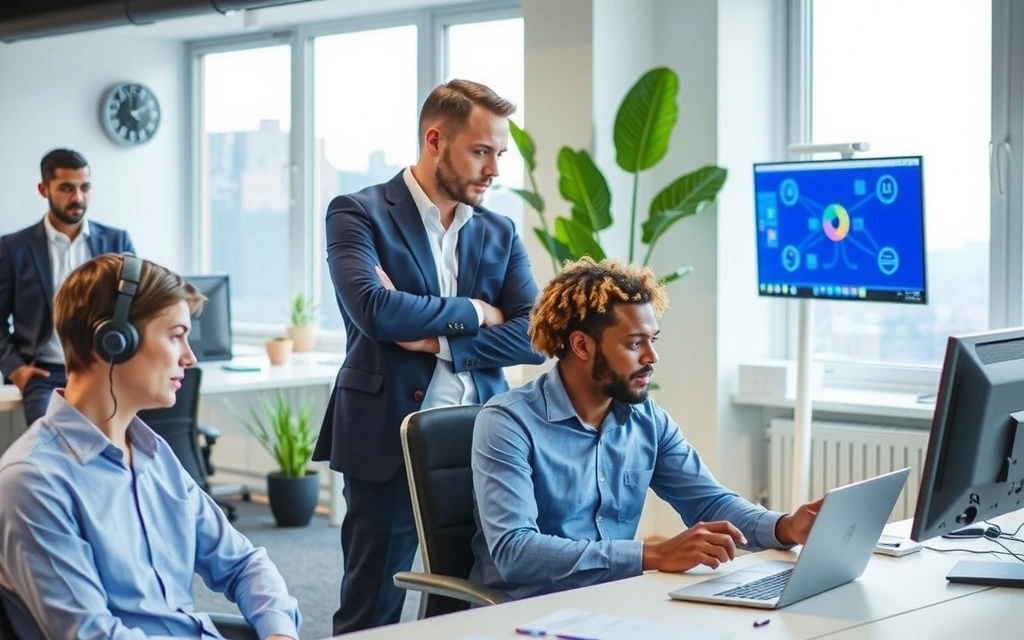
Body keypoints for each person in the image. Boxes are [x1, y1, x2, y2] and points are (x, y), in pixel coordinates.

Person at [312, 78, 545, 633]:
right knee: (371, 606)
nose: (494, 170)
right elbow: (375, 311)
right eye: (482, 151)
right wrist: (475, 309)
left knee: (473, 597)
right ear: (435, 139)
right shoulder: (357, 212)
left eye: (500, 154)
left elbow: (536, 334)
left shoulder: (498, 230)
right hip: (388, 431)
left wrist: (435, 336)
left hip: (483, 436)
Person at [469, 258, 824, 599]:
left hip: (614, 603)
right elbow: (516, 550)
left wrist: (785, 527)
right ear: (581, 345)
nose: (652, 357)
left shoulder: (646, 419)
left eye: (653, 340)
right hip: (523, 614)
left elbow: (708, 501)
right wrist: (651, 555)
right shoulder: (507, 421)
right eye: (635, 343)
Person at [0, 254, 301, 639]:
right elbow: (94, 635)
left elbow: (243, 563)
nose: (189, 357)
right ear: (112, 342)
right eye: (175, 336)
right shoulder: (33, 481)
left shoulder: (152, 453)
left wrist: (278, 631)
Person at [0, 148, 136, 425]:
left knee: (115, 448)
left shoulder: (117, 242)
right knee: (53, 451)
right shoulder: (13, 248)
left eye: (85, 187)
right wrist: (16, 369)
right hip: (44, 375)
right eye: (66, 188)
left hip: (106, 368)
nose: (78, 198)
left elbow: (139, 308)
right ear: (43, 189)